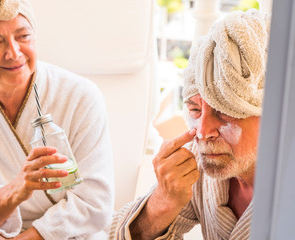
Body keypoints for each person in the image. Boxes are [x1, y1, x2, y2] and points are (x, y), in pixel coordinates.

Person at [0, 0, 114, 239]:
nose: (14, 53)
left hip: (66, 233)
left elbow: (94, 203)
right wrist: (15, 191)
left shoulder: (80, 96)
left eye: (24, 36)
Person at [110, 9, 269, 240]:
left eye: (224, 112)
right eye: (195, 110)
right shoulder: (197, 168)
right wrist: (162, 202)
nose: (202, 132)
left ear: (273, 112)